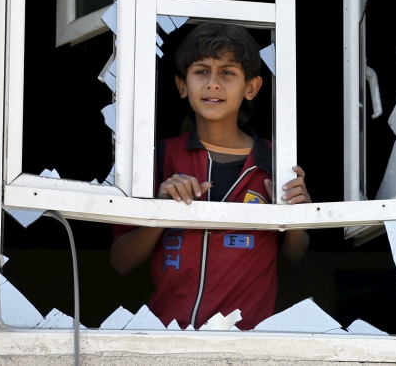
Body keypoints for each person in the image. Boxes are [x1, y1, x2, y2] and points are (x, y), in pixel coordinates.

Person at [110, 22, 310, 330]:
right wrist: (163, 211)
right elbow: (121, 261)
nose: (213, 84)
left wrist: (297, 217)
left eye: (228, 72)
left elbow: (294, 254)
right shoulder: (157, 158)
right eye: (201, 71)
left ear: (251, 88)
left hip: (249, 342)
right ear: (182, 85)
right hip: (165, 339)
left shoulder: (275, 160)